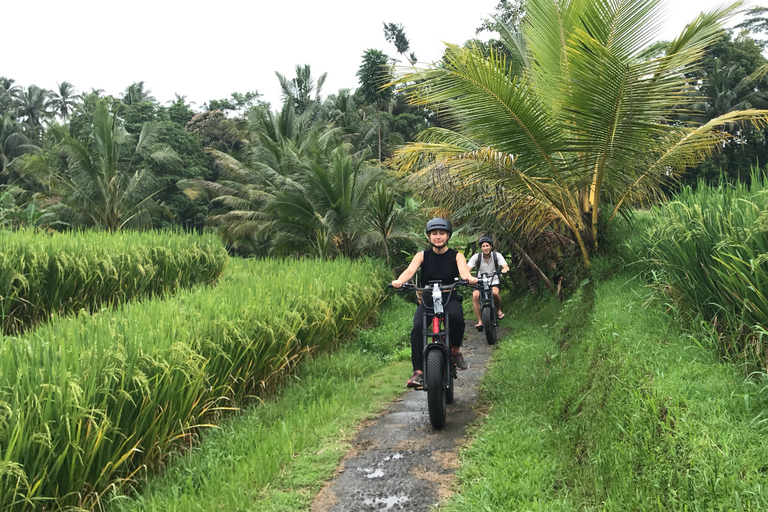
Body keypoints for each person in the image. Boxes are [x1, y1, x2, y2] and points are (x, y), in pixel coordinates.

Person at [391, 218, 478, 388]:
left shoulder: (457, 255)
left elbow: (463, 271)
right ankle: (419, 372)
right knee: (417, 327)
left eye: (442, 233)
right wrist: (399, 281)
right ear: (429, 236)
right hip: (428, 298)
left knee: (456, 318)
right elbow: (409, 271)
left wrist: (469, 278)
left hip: (449, 296)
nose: (438, 237)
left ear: (448, 236)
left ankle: (455, 351)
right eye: (434, 233)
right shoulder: (422, 255)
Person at [467, 236, 510, 331]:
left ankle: (498, 310)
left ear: (491, 246)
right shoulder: (476, 257)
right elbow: (467, 269)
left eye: (487, 245)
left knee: (495, 294)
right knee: (475, 296)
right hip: (479, 280)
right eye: (483, 246)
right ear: (481, 248)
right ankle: (480, 321)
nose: (485, 248)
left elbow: (505, 265)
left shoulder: (497, 255)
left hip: (493, 279)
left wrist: (505, 269)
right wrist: (469, 277)